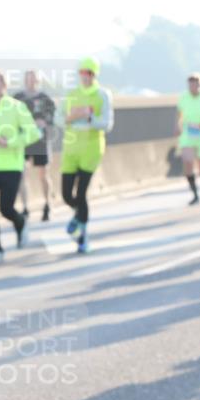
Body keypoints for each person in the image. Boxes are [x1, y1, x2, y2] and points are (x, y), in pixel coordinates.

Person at [0, 70, 41, 264]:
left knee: (6, 208)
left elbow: (33, 133)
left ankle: (20, 223)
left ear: (5, 85)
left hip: (11, 166)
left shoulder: (17, 107)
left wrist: (10, 142)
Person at [60, 56, 114, 254]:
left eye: (89, 73)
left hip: (91, 149)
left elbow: (107, 124)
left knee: (81, 193)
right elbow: (58, 118)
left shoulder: (102, 95)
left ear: (95, 75)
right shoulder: (71, 94)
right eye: (82, 72)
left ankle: (82, 237)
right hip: (71, 149)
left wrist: (89, 117)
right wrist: (71, 117)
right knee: (67, 195)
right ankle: (78, 216)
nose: (85, 76)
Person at [14, 70, 56, 221]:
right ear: (25, 80)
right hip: (23, 140)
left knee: (43, 174)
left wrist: (45, 122)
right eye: (29, 78)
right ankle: (25, 207)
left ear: (38, 81)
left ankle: (47, 204)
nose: (31, 81)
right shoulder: (18, 98)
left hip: (40, 140)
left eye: (34, 78)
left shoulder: (44, 98)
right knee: (21, 173)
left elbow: (53, 116)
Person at [176, 72, 200, 205]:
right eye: (191, 84)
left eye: (196, 83)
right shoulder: (183, 97)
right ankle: (195, 195)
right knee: (187, 162)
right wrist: (177, 125)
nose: (193, 86)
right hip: (188, 134)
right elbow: (179, 113)